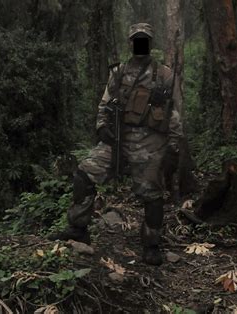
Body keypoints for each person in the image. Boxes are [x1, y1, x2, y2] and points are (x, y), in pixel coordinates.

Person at [48, 23, 182, 266]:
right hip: (118, 138)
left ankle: (152, 244)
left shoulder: (164, 75)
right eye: (136, 39)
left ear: (150, 44)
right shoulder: (118, 72)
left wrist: (173, 147)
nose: (140, 44)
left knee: (152, 193)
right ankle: (78, 228)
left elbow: (175, 114)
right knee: (84, 173)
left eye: (144, 40)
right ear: (130, 43)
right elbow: (105, 102)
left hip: (149, 141)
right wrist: (102, 127)